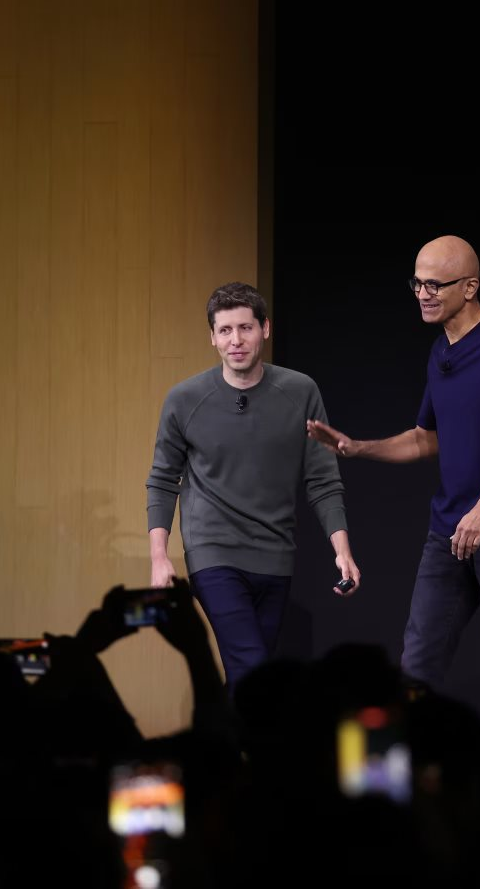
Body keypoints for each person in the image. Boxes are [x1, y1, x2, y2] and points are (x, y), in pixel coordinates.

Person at [307, 235, 480, 699]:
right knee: (416, 669)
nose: (422, 294)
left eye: (435, 285)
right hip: (447, 531)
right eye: (417, 283)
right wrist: (357, 448)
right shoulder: (440, 351)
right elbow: (426, 439)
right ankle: (412, 748)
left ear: (470, 287)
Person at [146, 282, 361, 693]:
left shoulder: (300, 391)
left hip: (275, 555)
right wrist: (159, 557)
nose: (236, 340)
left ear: (265, 329)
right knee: (251, 669)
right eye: (225, 330)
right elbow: (162, 479)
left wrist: (342, 550)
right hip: (213, 552)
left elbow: (322, 478)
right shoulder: (184, 399)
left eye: (245, 328)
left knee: (253, 680)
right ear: (212, 337)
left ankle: (229, 734)